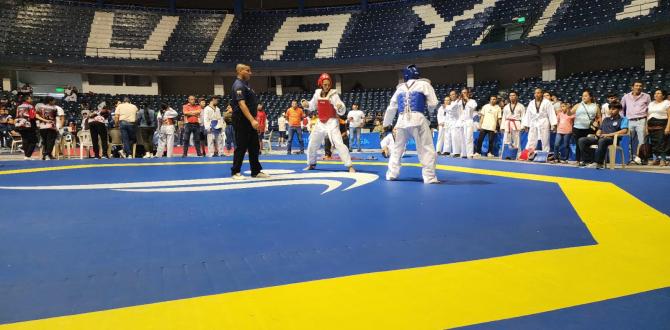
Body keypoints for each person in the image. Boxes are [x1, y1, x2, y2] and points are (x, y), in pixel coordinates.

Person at [383, 64, 439, 183]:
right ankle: (429, 177)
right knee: (426, 148)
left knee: (397, 149)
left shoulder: (400, 88)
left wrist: (386, 123)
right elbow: (433, 103)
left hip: (402, 121)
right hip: (417, 119)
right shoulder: (424, 84)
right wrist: (429, 110)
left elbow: (391, 108)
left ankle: (391, 174)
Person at [302, 73, 355, 172]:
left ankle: (349, 166)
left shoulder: (333, 94)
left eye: (328, 84)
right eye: (325, 84)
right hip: (320, 122)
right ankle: (311, 164)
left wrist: (340, 107)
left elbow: (341, 108)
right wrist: (306, 104)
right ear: (321, 84)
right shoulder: (317, 94)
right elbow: (312, 106)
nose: (327, 86)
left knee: (339, 143)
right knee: (312, 143)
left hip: (332, 122)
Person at [230, 64, 268, 179]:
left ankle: (256, 171)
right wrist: (252, 120)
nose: (250, 73)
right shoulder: (238, 85)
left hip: (249, 120)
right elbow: (241, 104)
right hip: (242, 120)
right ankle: (235, 172)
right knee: (241, 146)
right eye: (248, 71)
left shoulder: (246, 85)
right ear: (240, 71)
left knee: (254, 146)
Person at [578, 102, 629, 169]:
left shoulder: (623, 119)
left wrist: (608, 135)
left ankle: (599, 163)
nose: (611, 110)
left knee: (602, 141)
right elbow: (600, 130)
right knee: (582, 140)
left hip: (613, 140)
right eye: (610, 109)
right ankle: (587, 161)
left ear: (619, 110)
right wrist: (598, 133)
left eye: (613, 109)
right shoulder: (606, 119)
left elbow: (624, 131)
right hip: (601, 138)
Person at [621, 80, 651, 165]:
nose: (638, 87)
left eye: (640, 86)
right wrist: (624, 118)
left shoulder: (646, 96)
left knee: (642, 141)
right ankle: (630, 158)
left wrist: (647, 122)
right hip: (630, 121)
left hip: (641, 120)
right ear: (632, 87)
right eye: (636, 85)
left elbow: (649, 109)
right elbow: (621, 109)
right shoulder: (626, 97)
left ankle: (642, 158)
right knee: (629, 140)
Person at [569, 89, 601, 164]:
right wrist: (568, 109)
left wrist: (598, 124)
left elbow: (599, 117)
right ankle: (578, 160)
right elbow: (569, 114)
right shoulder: (578, 105)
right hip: (577, 128)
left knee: (587, 145)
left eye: (586, 96)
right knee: (578, 144)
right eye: (583, 96)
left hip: (589, 129)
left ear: (590, 97)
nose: (583, 97)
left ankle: (588, 160)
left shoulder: (595, 106)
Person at [647, 89, 670, 166]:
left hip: (661, 125)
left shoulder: (666, 103)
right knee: (654, 143)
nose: (656, 94)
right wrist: (646, 127)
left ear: (663, 95)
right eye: (655, 93)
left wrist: (668, 127)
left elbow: (669, 116)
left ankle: (663, 160)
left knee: (662, 143)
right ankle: (655, 160)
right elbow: (648, 115)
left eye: (659, 93)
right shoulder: (651, 104)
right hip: (651, 126)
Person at [458, 87, 478, 158]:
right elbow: (453, 108)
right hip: (461, 122)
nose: (464, 94)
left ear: (468, 94)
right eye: (462, 93)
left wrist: (467, 99)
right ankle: (463, 153)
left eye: (465, 92)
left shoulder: (472, 101)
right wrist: (458, 100)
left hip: (469, 121)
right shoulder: (459, 102)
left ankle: (470, 154)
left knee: (469, 138)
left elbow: (474, 106)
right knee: (462, 138)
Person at [445, 90, 462, 157]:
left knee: (455, 137)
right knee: (450, 137)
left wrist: (446, 107)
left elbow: (451, 109)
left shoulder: (459, 102)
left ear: (456, 95)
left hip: (457, 121)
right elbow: (449, 110)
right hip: (451, 122)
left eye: (453, 94)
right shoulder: (451, 103)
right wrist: (447, 108)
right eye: (451, 95)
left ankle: (457, 152)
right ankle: (449, 151)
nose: (452, 96)